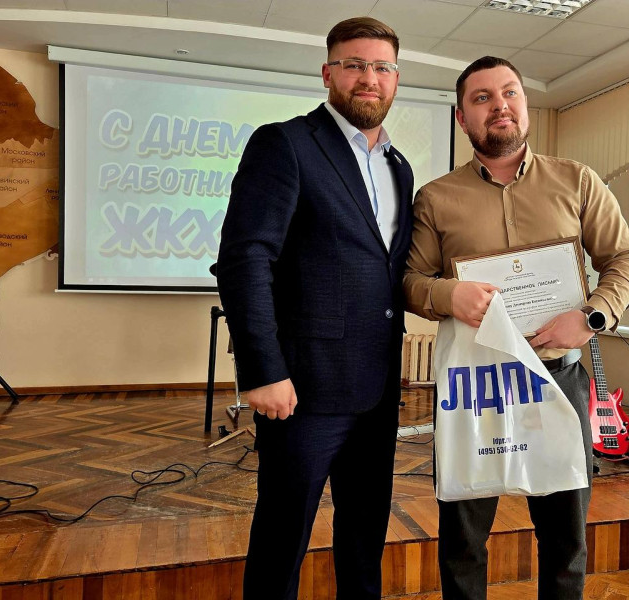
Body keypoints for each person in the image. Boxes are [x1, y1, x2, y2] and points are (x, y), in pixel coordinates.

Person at [403, 56, 629, 600]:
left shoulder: (577, 180)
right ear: (461, 117)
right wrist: (448, 294)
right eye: (482, 97)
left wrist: (592, 315)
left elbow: (626, 260)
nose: (499, 106)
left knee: (565, 540)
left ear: (525, 104)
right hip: (475, 386)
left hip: (558, 380)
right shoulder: (436, 198)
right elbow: (410, 281)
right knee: (462, 540)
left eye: (509, 92)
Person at [215, 17, 414, 600]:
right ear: (328, 73)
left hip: (378, 388)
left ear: (395, 78)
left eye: (381, 67)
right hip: (302, 390)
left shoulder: (399, 167)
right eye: (354, 65)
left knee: (365, 537)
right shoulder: (286, 144)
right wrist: (262, 370)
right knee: (282, 539)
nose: (368, 78)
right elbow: (245, 259)